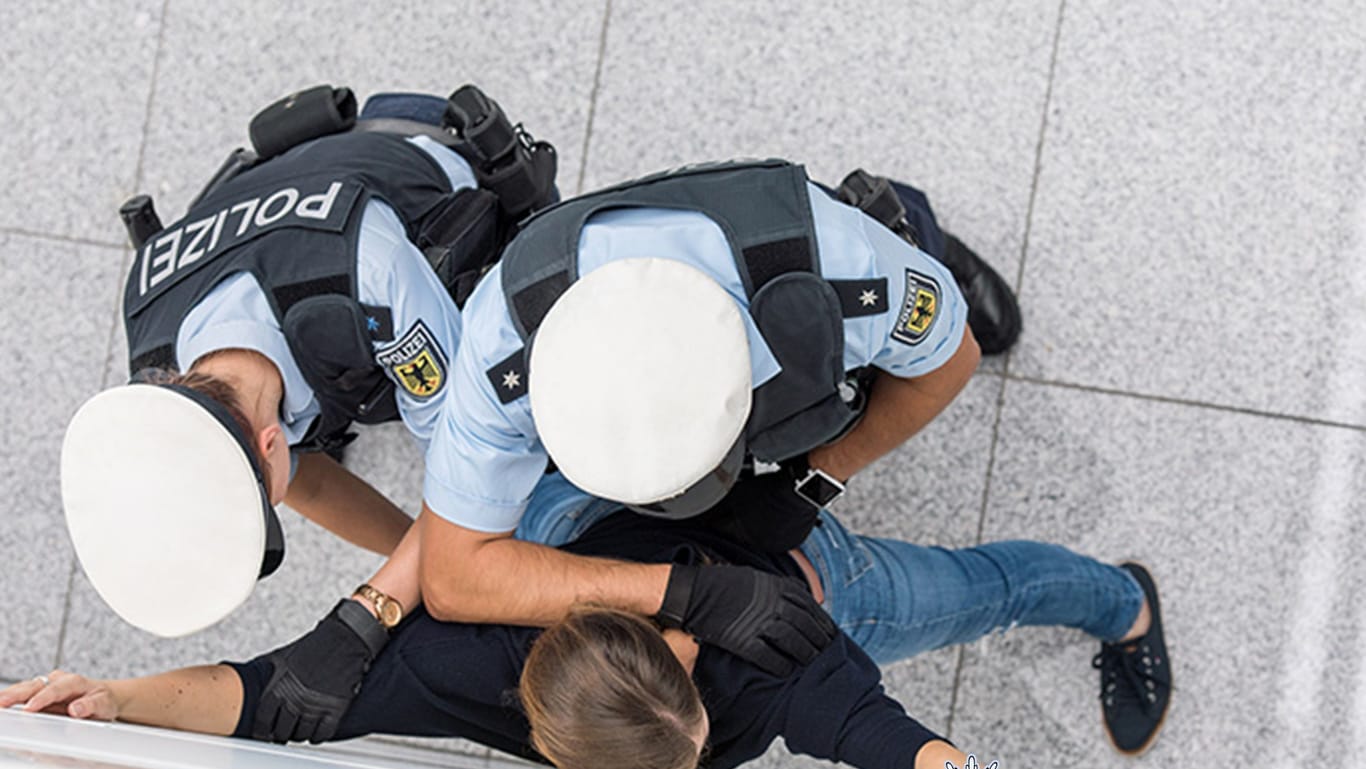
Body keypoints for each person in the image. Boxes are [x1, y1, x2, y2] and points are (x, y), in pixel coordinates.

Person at [2, 489, 1172, 765]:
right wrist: (112, 706)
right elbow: (262, 700)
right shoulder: (452, 660)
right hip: (557, 531)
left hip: (805, 580)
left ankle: (1123, 601)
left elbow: (884, 731)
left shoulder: (772, 671)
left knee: (977, 590)